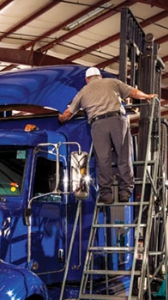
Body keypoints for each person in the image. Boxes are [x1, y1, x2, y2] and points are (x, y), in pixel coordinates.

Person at [58, 67, 158, 204]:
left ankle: (106, 194)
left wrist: (60, 118)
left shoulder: (83, 92)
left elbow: (68, 114)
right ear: (99, 76)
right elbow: (133, 92)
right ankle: (125, 191)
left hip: (98, 125)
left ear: (87, 79)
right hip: (117, 121)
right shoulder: (112, 82)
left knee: (103, 159)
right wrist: (146, 96)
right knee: (123, 156)